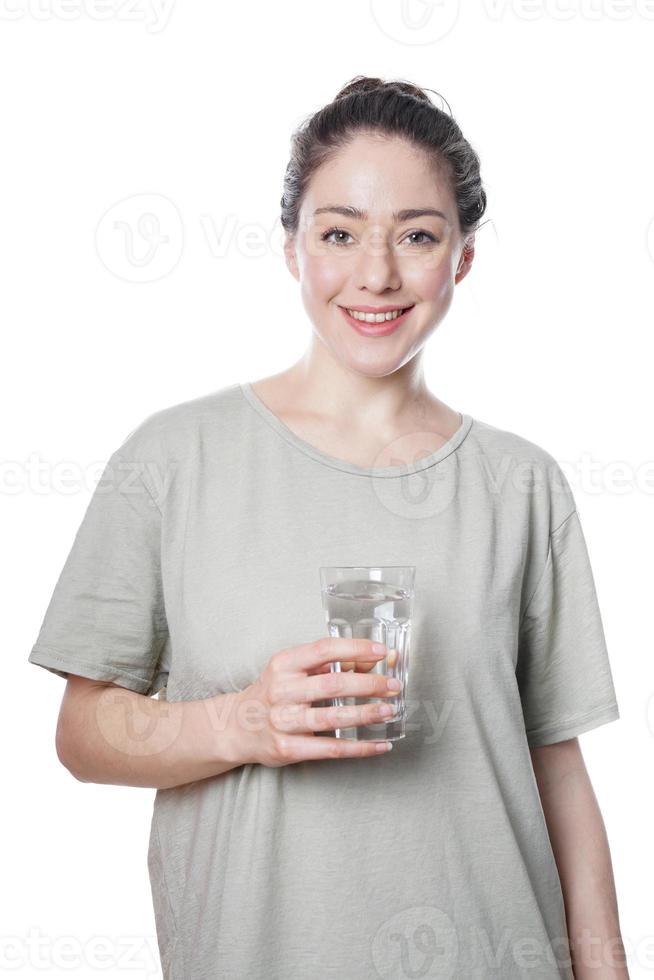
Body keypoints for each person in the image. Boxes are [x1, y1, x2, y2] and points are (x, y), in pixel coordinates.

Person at [28, 76, 629, 980]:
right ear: (291, 248)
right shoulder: (173, 459)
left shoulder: (522, 484)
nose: (376, 274)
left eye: (418, 236)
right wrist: (244, 722)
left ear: (462, 258)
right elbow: (81, 735)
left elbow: (558, 771)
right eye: (339, 232)